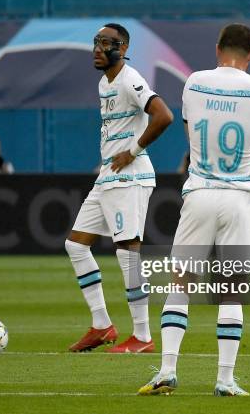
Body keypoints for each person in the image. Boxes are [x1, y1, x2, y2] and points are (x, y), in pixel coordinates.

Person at [138, 23, 250, 396]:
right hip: (240, 197)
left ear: (217, 48)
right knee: (231, 289)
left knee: (181, 282)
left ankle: (167, 370)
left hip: (199, 191)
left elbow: (192, 133)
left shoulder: (194, 82)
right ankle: (225, 380)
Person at [65, 23, 173, 353]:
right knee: (76, 245)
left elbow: (163, 115)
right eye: (95, 43)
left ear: (122, 48)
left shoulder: (130, 78)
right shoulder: (104, 82)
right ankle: (102, 325)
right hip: (108, 176)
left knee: (128, 252)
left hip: (130, 176)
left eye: (106, 43)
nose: (98, 49)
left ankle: (142, 336)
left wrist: (134, 150)